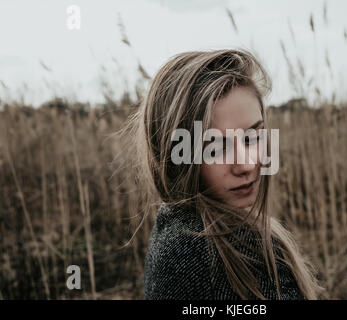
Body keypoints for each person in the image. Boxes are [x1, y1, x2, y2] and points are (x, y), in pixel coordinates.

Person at [125, 48, 322, 299]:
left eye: (253, 137)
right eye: (216, 147)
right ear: (175, 156)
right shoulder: (218, 254)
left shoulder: (172, 229)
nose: (247, 165)